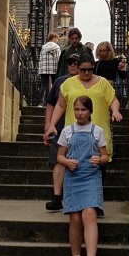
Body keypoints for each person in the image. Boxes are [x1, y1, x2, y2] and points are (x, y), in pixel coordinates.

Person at [48, 56, 121, 217]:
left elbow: (113, 100)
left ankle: (96, 203)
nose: (87, 72)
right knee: (73, 166)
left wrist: (115, 111)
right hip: (74, 132)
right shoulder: (68, 84)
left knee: (98, 167)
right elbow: (60, 105)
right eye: (83, 70)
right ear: (77, 68)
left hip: (97, 131)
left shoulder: (103, 83)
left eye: (90, 69)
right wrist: (52, 124)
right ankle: (73, 202)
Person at [58, 94, 107, 256]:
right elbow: (59, 156)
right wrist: (66, 162)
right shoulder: (67, 131)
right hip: (73, 178)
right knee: (75, 219)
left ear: (90, 111)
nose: (79, 113)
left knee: (89, 214)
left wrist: (99, 159)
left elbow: (105, 156)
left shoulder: (97, 131)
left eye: (83, 109)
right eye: (77, 109)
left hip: (91, 178)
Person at [43, 55, 81, 211]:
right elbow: (51, 104)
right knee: (57, 161)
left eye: (76, 63)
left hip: (79, 128)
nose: (72, 65)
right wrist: (47, 125)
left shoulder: (87, 82)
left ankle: (77, 197)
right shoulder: (59, 82)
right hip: (59, 128)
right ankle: (57, 197)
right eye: (70, 63)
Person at [37, 33, 61, 103]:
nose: (57, 40)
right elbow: (58, 59)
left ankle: (40, 102)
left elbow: (41, 58)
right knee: (55, 85)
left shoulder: (43, 47)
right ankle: (55, 101)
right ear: (53, 38)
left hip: (44, 69)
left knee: (43, 85)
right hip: (53, 68)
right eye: (57, 38)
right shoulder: (56, 47)